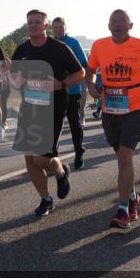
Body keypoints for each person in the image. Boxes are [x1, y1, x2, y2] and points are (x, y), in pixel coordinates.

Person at [86, 9, 140, 229]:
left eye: (122, 21)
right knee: (120, 156)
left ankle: (122, 210)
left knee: (124, 154)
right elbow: (90, 69)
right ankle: (132, 197)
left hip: (138, 104)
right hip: (110, 106)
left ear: (130, 26)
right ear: (108, 25)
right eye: (114, 21)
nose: (117, 24)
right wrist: (91, 85)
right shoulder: (99, 45)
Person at [9, 9, 85, 217]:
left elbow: (80, 73)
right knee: (29, 158)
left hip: (53, 108)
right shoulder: (22, 50)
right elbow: (15, 79)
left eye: (37, 22)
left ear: (46, 25)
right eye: (29, 22)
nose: (32, 25)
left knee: (41, 158)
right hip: (29, 107)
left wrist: (60, 84)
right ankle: (46, 199)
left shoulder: (59, 48)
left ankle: (61, 171)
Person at [52, 17, 89, 170]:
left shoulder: (73, 43)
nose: (58, 29)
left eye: (61, 27)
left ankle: (79, 150)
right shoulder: (49, 44)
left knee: (74, 123)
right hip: (54, 90)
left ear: (65, 28)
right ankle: (53, 157)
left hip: (72, 89)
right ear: (51, 28)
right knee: (54, 125)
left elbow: (84, 64)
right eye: (55, 27)